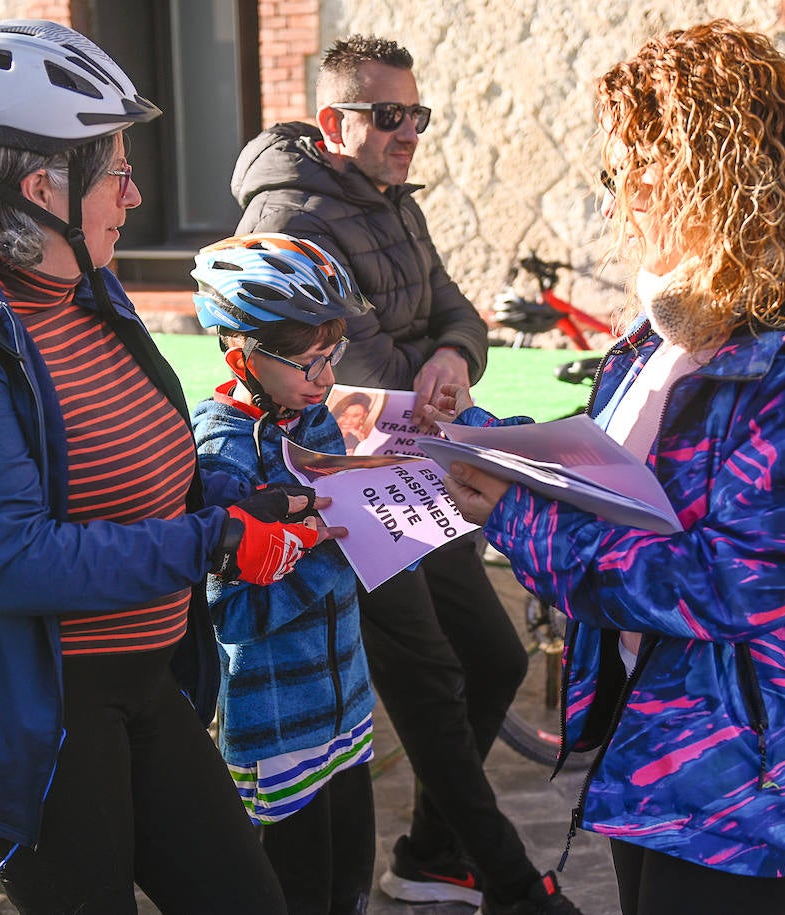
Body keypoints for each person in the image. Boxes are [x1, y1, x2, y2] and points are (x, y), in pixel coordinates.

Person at [0, 21, 337, 915]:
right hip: (43, 708)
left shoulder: (84, 284)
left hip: (146, 676)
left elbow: (143, 464)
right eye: (116, 172)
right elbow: (9, 561)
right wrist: (214, 538)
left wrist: (240, 498)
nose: (136, 194)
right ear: (42, 188)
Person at [436, 20, 785, 915]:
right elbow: (613, 471)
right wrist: (474, 435)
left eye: (640, 172)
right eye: (617, 173)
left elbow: (727, 582)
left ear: (722, 173)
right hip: (657, 724)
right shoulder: (685, 320)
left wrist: (513, 515)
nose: (624, 199)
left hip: (756, 761)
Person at [232, 34, 578, 915]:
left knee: (491, 656)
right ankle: (506, 878)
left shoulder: (393, 203)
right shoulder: (289, 217)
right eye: (388, 115)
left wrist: (454, 355)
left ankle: (428, 851)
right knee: (431, 682)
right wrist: (431, 369)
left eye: (416, 114)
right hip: (339, 487)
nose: (408, 131)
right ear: (332, 121)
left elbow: (457, 311)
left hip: (414, 468)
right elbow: (357, 366)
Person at [190, 233, 376, 914]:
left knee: (350, 877)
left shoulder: (314, 416)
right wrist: (335, 552)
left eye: (334, 355)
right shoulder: (220, 451)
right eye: (309, 362)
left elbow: (341, 517)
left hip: (347, 704)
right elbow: (231, 613)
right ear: (243, 357)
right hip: (278, 721)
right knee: (299, 891)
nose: (327, 378)